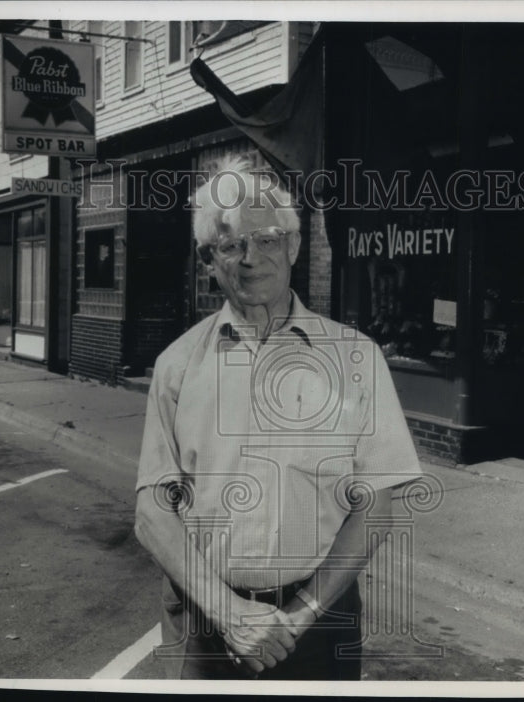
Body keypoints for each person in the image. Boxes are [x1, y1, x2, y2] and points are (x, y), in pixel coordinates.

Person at [134, 156, 422, 680]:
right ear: (207, 258)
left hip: (318, 622)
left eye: (267, 239)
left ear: (293, 246)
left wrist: (301, 613)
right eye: (231, 244)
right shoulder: (176, 366)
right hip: (204, 623)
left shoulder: (356, 358)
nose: (251, 258)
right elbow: (153, 515)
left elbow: (377, 503)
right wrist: (229, 614)